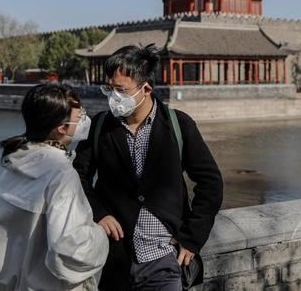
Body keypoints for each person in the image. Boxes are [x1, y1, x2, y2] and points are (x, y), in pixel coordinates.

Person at [73, 44, 223, 290]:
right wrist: (99, 212)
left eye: (120, 90)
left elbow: (211, 183)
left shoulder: (178, 125)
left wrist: (192, 238)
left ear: (146, 88)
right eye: (109, 89)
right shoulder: (100, 126)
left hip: (164, 259)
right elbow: (78, 176)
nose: (113, 97)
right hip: (113, 258)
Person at [0, 84, 109, 291]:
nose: (83, 121)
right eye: (79, 116)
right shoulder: (61, 173)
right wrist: (99, 234)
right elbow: (69, 248)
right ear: (62, 128)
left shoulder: (15, 163)